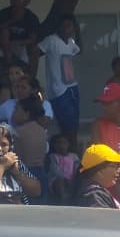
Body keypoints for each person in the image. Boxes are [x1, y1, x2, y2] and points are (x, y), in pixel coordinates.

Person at [39, 14, 81, 145]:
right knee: (66, 125)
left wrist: (78, 32)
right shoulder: (51, 40)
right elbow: (35, 51)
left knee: (74, 124)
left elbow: (79, 50)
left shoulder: (70, 42)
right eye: (63, 26)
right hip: (59, 90)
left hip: (72, 87)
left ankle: (71, 155)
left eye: (69, 26)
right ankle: (69, 152)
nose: (66, 29)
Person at [0, 0, 41, 74]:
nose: (15, 0)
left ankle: (32, 79)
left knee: (35, 49)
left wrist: (17, 42)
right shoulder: (4, 13)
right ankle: (9, 65)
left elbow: (33, 39)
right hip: (2, 46)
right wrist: (12, 20)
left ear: (27, 1)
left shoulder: (31, 17)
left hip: (20, 46)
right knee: (4, 32)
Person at [11, 97, 50, 201]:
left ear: (27, 113)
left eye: (16, 109)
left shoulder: (18, 132)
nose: (13, 113)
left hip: (26, 175)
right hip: (42, 173)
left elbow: (17, 157)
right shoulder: (42, 130)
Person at [76, 144, 120, 208]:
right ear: (99, 171)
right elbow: (102, 218)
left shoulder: (94, 192)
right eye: (114, 166)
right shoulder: (94, 195)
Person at [47, 134, 78, 205]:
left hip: (72, 179)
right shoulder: (52, 156)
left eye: (64, 143)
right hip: (56, 180)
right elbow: (55, 170)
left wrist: (73, 178)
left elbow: (77, 168)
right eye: (58, 143)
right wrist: (65, 179)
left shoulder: (74, 156)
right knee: (59, 180)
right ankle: (63, 200)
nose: (61, 145)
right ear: (54, 145)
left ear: (68, 144)